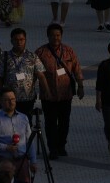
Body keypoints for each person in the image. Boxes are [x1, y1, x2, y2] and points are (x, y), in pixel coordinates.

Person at [36, 23, 84, 159]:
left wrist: (80, 87)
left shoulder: (69, 51)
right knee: (50, 123)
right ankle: (52, 148)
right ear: (47, 36)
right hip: (48, 95)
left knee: (64, 122)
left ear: (61, 36)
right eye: (52, 35)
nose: (55, 38)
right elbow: (34, 73)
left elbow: (77, 70)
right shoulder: (40, 52)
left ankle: (61, 145)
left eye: (58, 35)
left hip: (65, 95)